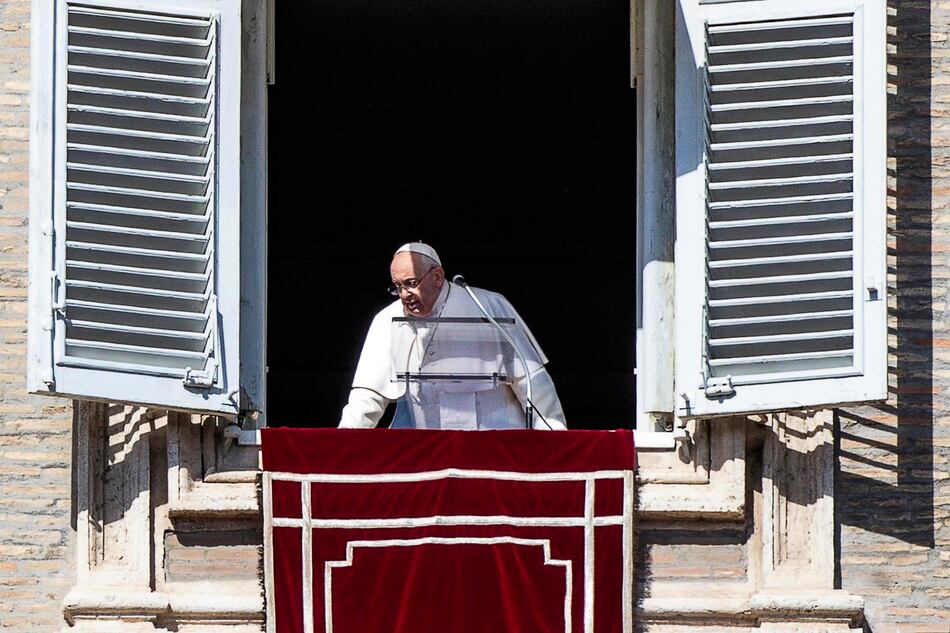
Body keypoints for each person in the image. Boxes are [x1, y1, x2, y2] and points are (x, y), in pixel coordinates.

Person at [338, 242, 567, 430]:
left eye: (411, 283)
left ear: (437, 276)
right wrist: (340, 445)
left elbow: (534, 385)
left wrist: (554, 443)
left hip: (495, 450)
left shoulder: (488, 306)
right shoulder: (387, 320)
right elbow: (367, 398)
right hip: (431, 454)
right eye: (397, 286)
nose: (404, 295)